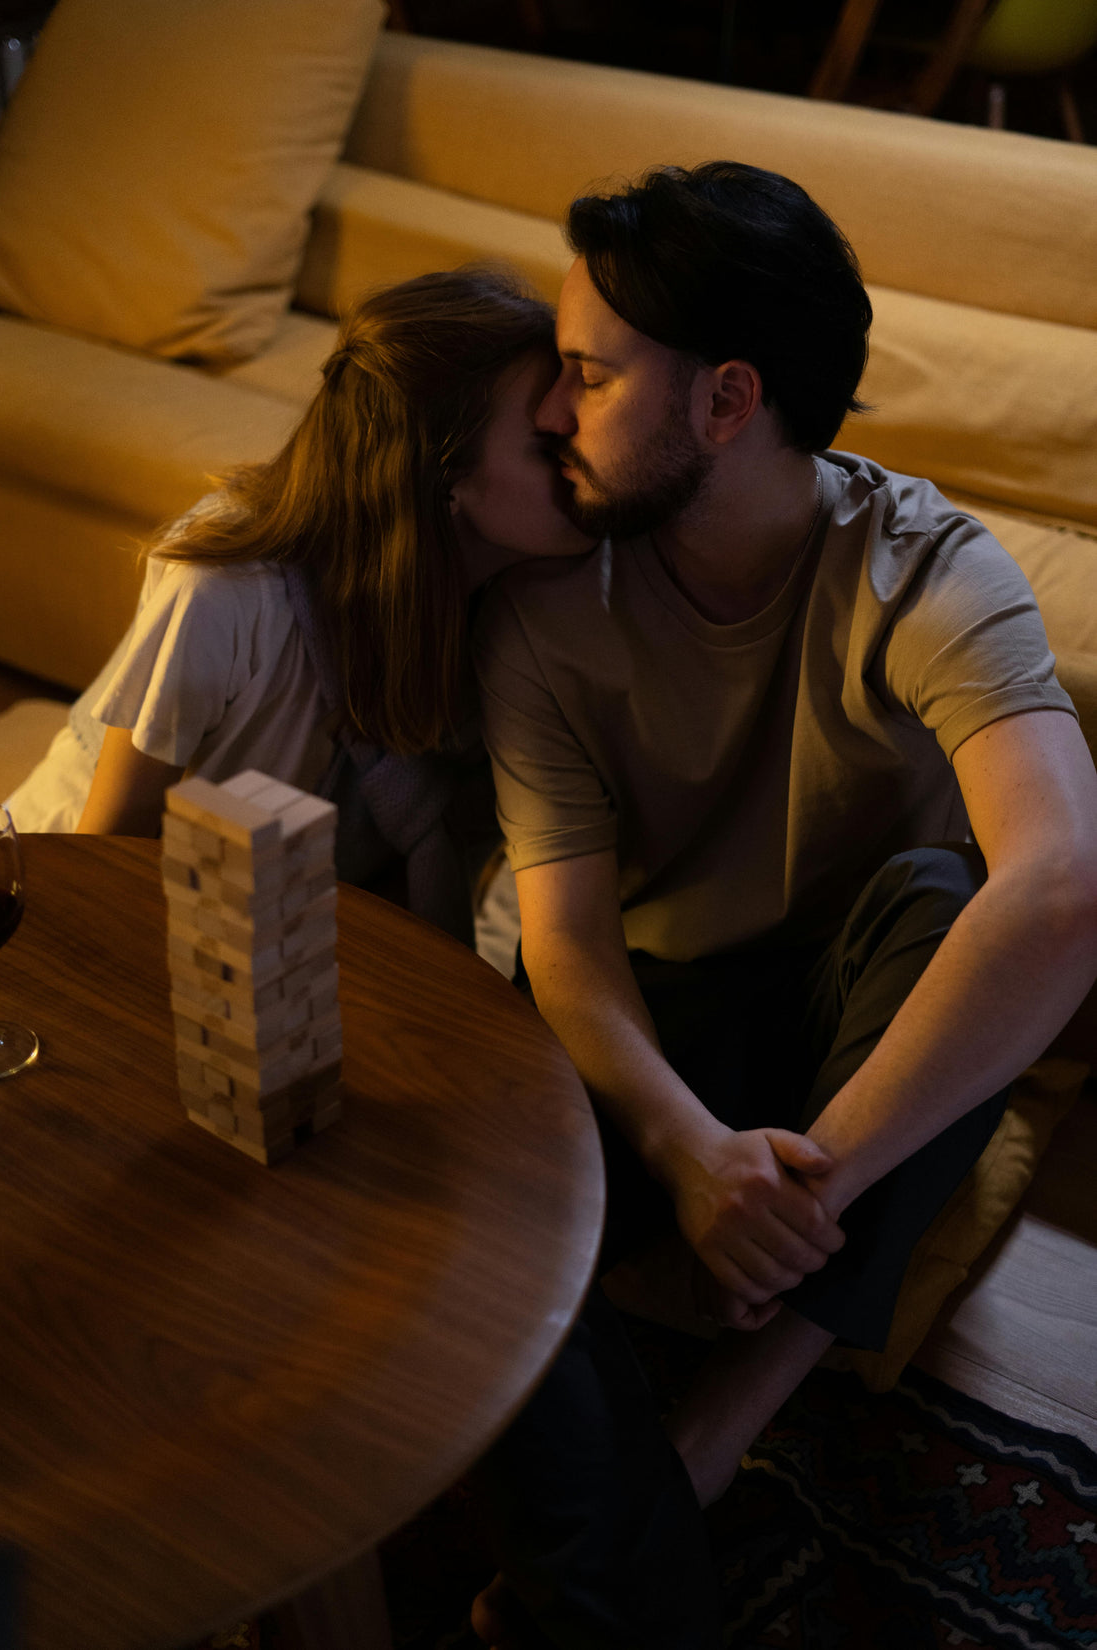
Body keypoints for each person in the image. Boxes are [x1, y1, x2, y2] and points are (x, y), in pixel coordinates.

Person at [470, 162, 1097, 1647]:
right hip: (652, 1031)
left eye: (589, 374)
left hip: (842, 1056)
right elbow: (562, 944)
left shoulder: (926, 567)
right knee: (479, 1159)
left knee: (967, 920)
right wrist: (690, 1154)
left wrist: (780, 1197)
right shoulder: (550, 605)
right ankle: (641, 1549)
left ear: (728, 399)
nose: (554, 413)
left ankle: (711, 1426)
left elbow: (1065, 885)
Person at [5, 268, 593, 941]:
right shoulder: (227, 592)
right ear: (443, 476)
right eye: (549, 446)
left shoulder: (527, 604)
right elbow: (105, 849)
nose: (584, 457)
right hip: (84, 899)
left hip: (282, 940)